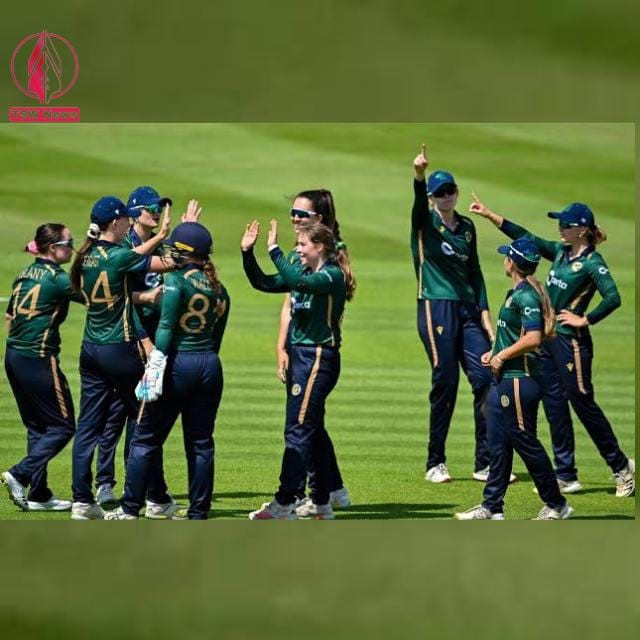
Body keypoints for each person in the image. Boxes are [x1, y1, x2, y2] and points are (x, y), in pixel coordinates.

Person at [468, 197, 634, 497]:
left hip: (573, 345)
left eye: (565, 224)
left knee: (583, 404)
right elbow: (526, 238)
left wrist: (586, 319)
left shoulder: (593, 262)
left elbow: (613, 296)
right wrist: (491, 215)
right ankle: (566, 474)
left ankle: (621, 468)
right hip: (550, 341)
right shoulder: (560, 252)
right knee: (555, 406)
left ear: (582, 230)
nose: (560, 228)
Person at [105, 222, 229, 520]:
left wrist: (157, 360)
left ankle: (130, 508)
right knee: (201, 443)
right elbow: (217, 336)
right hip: (210, 365)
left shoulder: (175, 281)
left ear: (185, 251)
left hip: (177, 363)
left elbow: (166, 325)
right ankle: (199, 512)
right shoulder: (219, 289)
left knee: (145, 438)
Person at [68, 195, 178, 520]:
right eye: (125, 222)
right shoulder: (117, 257)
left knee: (88, 426)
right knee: (147, 418)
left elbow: (134, 255)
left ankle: (81, 501)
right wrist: (168, 236)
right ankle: (149, 499)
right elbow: (164, 263)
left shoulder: (85, 256)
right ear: (115, 223)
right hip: (120, 348)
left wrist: (157, 237)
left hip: (89, 350)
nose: (128, 225)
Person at [242, 218, 356, 520]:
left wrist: (275, 250)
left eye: (303, 245)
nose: (299, 250)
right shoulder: (303, 272)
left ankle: (284, 502)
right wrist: (247, 254)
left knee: (298, 430)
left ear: (319, 247)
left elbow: (301, 284)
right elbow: (263, 283)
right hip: (302, 357)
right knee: (312, 428)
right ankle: (321, 503)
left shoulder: (331, 275)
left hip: (318, 357)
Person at [94, 188, 201, 508]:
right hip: (130, 340)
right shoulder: (123, 247)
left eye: (160, 208)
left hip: (156, 341)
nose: (156, 213)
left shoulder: (161, 245)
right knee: (117, 417)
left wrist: (188, 234)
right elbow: (117, 298)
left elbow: (177, 269)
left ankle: (142, 491)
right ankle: (106, 483)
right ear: (135, 212)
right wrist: (146, 303)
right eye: (152, 208)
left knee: (140, 418)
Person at [455, 238, 574, 520]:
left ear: (512, 263)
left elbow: (533, 338)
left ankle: (557, 504)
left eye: (507, 256)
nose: (504, 259)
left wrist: (502, 356)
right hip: (505, 378)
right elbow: (516, 335)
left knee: (524, 441)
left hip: (520, 380)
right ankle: (491, 506)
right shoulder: (517, 292)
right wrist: (493, 353)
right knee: (497, 440)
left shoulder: (526, 296)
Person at [411, 145, 507, 484]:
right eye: (440, 193)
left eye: (450, 190)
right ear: (432, 197)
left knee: (485, 377)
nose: (446, 196)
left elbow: (476, 270)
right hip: (435, 304)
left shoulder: (467, 226)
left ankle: (485, 463)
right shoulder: (424, 222)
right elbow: (417, 204)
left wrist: (483, 308)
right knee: (446, 381)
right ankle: (435, 461)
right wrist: (420, 176)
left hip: (467, 308)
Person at [2, 224, 79, 512]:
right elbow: (95, 295)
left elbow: (10, 315)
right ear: (52, 248)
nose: (71, 247)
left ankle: (39, 493)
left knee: (38, 426)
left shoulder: (23, 274)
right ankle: (20, 474)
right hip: (38, 358)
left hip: (14, 356)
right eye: (68, 243)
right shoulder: (58, 279)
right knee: (63, 426)